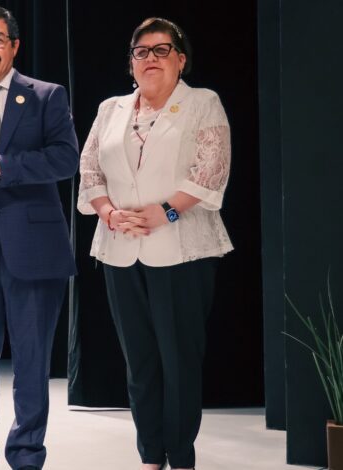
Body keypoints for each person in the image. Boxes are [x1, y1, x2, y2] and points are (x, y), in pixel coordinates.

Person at [77, 17, 233, 470]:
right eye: (141, 51)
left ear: (180, 60)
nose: (150, 58)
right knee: (139, 361)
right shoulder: (111, 109)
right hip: (119, 246)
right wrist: (109, 212)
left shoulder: (202, 103)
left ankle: (180, 457)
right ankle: (150, 455)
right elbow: (90, 169)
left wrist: (167, 210)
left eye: (161, 50)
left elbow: (211, 169)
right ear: (131, 63)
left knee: (179, 361)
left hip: (182, 248)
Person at [0, 6, 78, 470]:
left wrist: (0, 164)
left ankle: (26, 456)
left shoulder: (46, 96)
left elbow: (66, 160)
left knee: (32, 364)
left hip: (35, 253)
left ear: (14, 46)